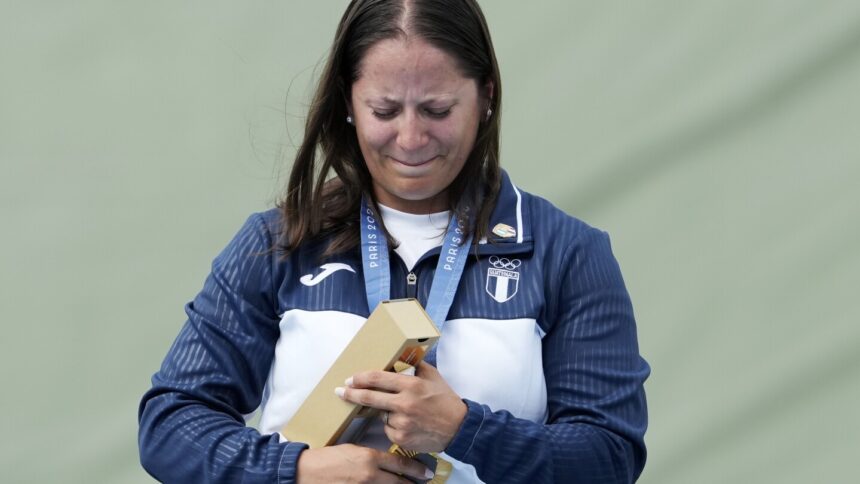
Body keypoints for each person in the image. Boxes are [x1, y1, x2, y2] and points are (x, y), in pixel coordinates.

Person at [137, 0, 650, 482]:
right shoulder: (279, 243)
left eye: (437, 110)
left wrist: (464, 429)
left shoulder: (567, 253)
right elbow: (169, 424)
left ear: (486, 97)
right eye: (384, 111)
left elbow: (610, 458)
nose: (410, 139)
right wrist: (296, 470)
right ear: (347, 102)